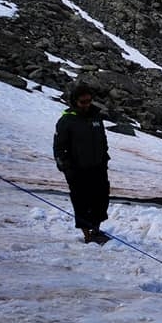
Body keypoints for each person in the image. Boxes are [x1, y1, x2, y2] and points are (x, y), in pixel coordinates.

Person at [53, 83, 110, 244]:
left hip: (98, 167)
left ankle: (96, 229)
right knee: (82, 202)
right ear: (75, 102)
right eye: (83, 102)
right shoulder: (67, 121)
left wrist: (104, 158)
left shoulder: (96, 117)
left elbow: (103, 140)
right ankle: (88, 235)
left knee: (101, 199)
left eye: (89, 101)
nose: (87, 105)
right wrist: (65, 168)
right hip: (78, 170)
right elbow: (59, 147)